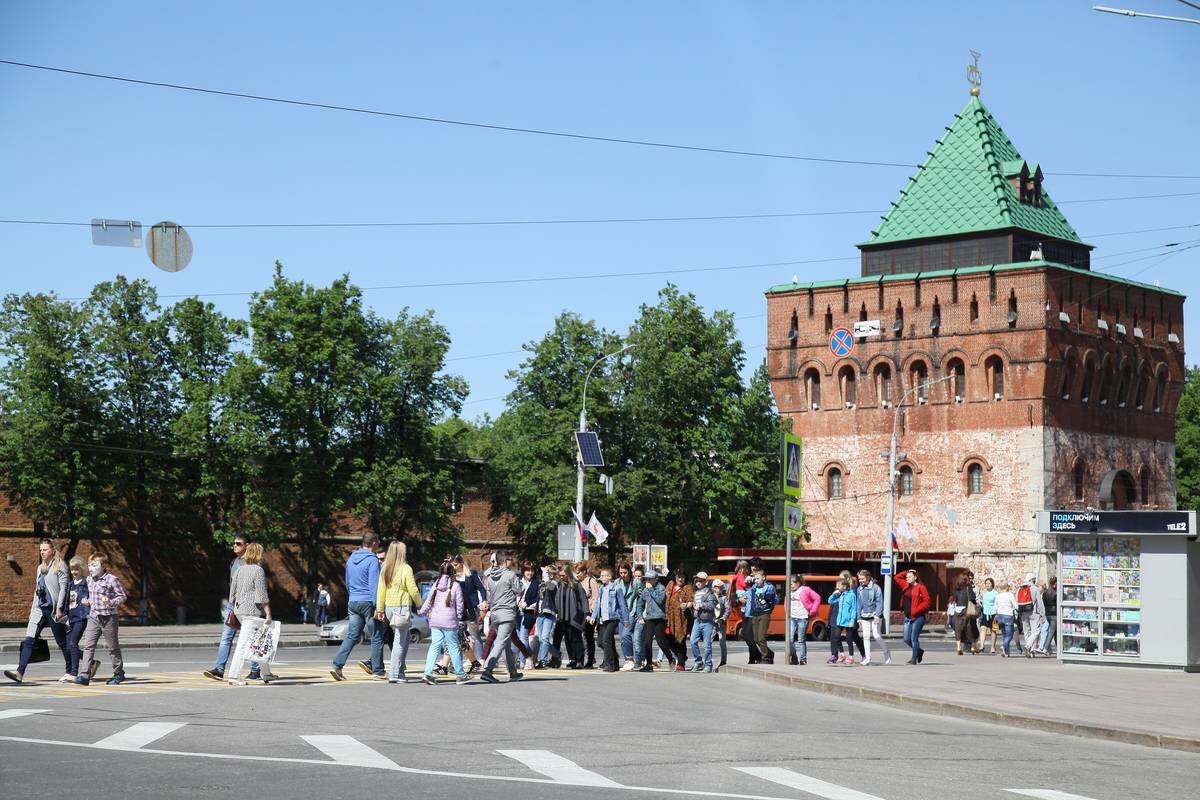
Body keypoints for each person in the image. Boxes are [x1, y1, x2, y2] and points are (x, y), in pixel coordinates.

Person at [4, 537, 70, 684]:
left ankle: (74, 669)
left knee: (62, 642)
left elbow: (64, 590)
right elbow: (37, 590)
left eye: (45, 550)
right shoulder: (40, 568)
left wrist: (59, 608)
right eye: (40, 550)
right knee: (29, 640)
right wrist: (32, 609)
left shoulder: (60, 567)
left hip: (53, 610)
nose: (42, 552)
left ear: (53, 550)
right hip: (40, 609)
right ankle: (19, 672)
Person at [330, 533, 384, 682]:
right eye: (378, 541)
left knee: (352, 635)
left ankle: (337, 665)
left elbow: (347, 581)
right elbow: (374, 585)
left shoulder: (351, 558)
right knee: (377, 636)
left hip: (353, 601)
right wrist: (378, 607)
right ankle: (378, 670)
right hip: (368, 602)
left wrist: (352, 595)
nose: (379, 544)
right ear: (373, 543)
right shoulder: (372, 560)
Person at [226, 543, 278, 685]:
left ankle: (266, 673)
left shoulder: (239, 570)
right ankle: (234, 676)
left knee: (258, 641)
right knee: (243, 644)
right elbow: (261, 595)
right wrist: (268, 614)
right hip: (251, 612)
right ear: (258, 554)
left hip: (239, 610)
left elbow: (232, 593)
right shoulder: (258, 570)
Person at [206, 535, 256, 681]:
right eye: (234, 543)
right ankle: (219, 669)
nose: (235, 546)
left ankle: (256, 669)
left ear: (247, 545)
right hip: (232, 605)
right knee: (226, 637)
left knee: (250, 638)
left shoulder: (252, 563)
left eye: (238, 544)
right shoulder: (234, 561)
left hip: (247, 605)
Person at [373, 541, 422, 683]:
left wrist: (380, 609)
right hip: (401, 607)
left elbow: (380, 590)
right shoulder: (406, 568)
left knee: (404, 639)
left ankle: (400, 670)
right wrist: (420, 604)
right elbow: (412, 589)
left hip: (389, 607)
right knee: (399, 642)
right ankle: (395, 673)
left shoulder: (385, 568)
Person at [77, 553, 127, 685]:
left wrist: (111, 601)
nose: (91, 568)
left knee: (113, 647)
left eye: (94, 565)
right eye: (89, 565)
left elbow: (122, 596)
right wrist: (87, 601)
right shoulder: (89, 579)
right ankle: (84, 675)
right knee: (88, 646)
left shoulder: (111, 579)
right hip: (93, 617)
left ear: (104, 566)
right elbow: (91, 596)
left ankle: (118, 673)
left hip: (109, 617)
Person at [420, 561, 470, 685]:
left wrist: (422, 611)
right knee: (453, 647)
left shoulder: (436, 584)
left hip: (435, 620)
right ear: (452, 572)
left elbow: (428, 601)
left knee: (434, 646)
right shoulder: (455, 585)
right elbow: (460, 605)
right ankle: (460, 675)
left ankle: (427, 673)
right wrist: (458, 618)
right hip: (449, 621)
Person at [480, 551, 524, 683]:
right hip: (507, 613)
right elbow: (519, 589)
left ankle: (513, 672)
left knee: (505, 643)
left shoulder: (490, 577)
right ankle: (488, 670)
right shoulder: (510, 575)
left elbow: (488, 596)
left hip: (495, 614)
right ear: (504, 562)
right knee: (500, 643)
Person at [592, 566, 630, 672]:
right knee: (609, 641)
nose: (601, 577)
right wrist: (594, 616)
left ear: (609, 577)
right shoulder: (602, 589)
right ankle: (616, 664)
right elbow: (598, 604)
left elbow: (622, 605)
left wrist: (626, 620)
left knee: (606, 639)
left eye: (603, 575)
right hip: (603, 618)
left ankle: (610, 664)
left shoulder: (616, 588)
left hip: (613, 617)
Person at [637, 570, 674, 672]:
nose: (647, 581)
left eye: (649, 579)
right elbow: (640, 604)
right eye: (646, 579)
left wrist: (651, 589)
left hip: (659, 618)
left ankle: (671, 658)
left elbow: (660, 600)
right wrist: (640, 617)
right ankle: (648, 664)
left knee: (661, 641)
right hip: (649, 619)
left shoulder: (661, 588)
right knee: (647, 642)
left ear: (655, 579)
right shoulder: (645, 590)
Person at [553, 566, 588, 668]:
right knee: (557, 639)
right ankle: (557, 659)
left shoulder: (576, 585)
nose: (561, 577)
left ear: (568, 574)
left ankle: (579, 660)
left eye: (563, 575)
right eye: (560, 575)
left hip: (574, 616)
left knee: (575, 639)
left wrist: (587, 614)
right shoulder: (560, 585)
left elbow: (583, 599)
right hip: (561, 616)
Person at [63, 557, 91, 682]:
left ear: (82, 569)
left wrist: (89, 603)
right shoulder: (70, 585)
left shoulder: (86, 583)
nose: (74, 572)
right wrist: (63, 614)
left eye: (76, 569)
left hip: (81, 617)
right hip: (70, 618)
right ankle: (92, 661)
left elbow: (92, 598)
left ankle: (74, 673)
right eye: (72, 570)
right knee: (69, 647)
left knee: (73, 643)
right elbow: (67, 602)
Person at [855, 570, 891, 666]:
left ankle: (886, 651)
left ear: (868, 578)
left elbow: (879, 602)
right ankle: (867, 658)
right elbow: (858, 604)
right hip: (864, 616)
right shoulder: (859, 589)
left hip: (875, 615)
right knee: (865, 636)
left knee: (876, 635)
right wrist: (858, 619)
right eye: (859, 579)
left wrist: (877, 616)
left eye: (862, 579)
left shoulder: (876, 588)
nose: (860, 581)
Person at [895, 568, 930, 665]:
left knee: (914, 637)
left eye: (910, 577)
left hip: (918, 617)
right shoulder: (905, 585)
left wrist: (917, 609)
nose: (907, 578)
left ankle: (913, 659)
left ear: (915, 577)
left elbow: (927, 601)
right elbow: (897, 577)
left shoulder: (921, 587)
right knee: (906, 639)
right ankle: (919, 651)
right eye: (906, 577)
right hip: (907, 616)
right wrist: (907, 571)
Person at [743, 565, 777, 664]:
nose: (756, 581)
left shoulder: (769, 587)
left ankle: (766, 658)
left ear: (764, 578)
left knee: (761, 637)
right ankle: (770, 653)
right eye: (755, 579)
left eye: (758, 578)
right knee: (756, 639)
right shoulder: (753, 588)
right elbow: (747, 596)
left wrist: (768, 596)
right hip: (754, 614)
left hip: (764, 614)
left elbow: (772, 597)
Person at [665, 569, 694, 671]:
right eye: (678, 577)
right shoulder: (670, 585)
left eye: (682, 577)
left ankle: (681, 663)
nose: (680, 579)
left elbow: (691, 600)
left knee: (680, 640)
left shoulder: (688, 587)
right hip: (669, 617)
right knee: (667, 639)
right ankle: (681, 656)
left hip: (682, 618)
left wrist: (687, 604)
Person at [688, 572, 717, 673]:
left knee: (706, 645)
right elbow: (695, 605)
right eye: (696, 580)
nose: (698, 582)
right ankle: (699, 662)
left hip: (707, 621)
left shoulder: (710, 593)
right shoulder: (695, 593)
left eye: (701, 580)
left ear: (706, 582)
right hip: (697, 620)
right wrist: (691, 605)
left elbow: (712, 606)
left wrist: (701, 605)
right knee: (692, 641)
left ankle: (708, 665)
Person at [788, 574, 820, 666]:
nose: (790, 586)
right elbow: (787, 602)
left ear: (798, 583)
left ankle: (803, 659)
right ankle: (794, 658)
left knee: (801, 640)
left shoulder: (805, 590)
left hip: (803, 617)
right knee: (789, 639)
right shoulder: (789, 591)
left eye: (792, 584)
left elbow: (817, 598)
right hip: (792, 617)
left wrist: (813, 610)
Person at [574, 562, 600, 669]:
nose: (577, 575)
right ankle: (580, 659)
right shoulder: (576, 583)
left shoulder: (591, 581)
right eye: (576, 573)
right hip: (580, 614)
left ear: (584, 572)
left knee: (588, 637)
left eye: (579, 572)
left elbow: (596, 597)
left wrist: (591, 613)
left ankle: (590, 660)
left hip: (589, 614)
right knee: (580, 637)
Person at [615, 563, 640, 671]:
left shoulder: (636, 582)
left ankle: (630, 659)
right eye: (621, 573)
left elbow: (642, 596)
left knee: (626, 635)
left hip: (631, 612)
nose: (623, 575)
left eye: (625, 572)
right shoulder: (617, 583)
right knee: (622, 638)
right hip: (620, 613)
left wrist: (640, 613)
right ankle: (628, 660)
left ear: (629, 572)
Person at [829, 578, 859, 665]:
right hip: (839, 620)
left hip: (848, 621)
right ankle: (842, 655)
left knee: (849, 639)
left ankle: (851, 657)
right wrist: (833, 595)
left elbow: (854, 608)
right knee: (836, 636)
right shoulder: (840, 595)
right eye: (836, 586)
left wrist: (852, 620)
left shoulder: (851, 595)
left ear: (845, 586)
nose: (837, 587)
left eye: (839, 586)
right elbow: (830, 601)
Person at [533, 568, 559, 669]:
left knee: (544, 638)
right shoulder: (541, 584)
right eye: (548, 574)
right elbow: (539, 599)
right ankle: (557, 654)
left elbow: (550, 588)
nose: (549, 575)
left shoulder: (553, 584)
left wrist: (546, 574)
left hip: (549, 613)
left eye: (551, 574)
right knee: (541, 639)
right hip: (540, 614)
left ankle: (543, 661)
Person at [517, 561, 541, 669]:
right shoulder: (518, 581)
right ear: (523, 571)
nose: (529, 573)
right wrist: (518, 603)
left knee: (523, 639)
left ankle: (524, 661)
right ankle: (528, 657)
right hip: (516, 614)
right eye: (527, 570)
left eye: (531, 570)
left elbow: (538, 599)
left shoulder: (537, 583)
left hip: (528, 614)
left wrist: (526, 605)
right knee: (517, 640)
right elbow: (513, 595)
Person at [732, 559, 756, 663]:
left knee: (750, 635)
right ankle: (756, 655)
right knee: (746, 634)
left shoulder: (738, 576)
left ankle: (755, 656)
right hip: (745, 607)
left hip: (752, 609)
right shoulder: (743, 577)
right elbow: (744, 585)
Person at [1016, 572, 1044, 657]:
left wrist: (1019, 612)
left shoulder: (1020, 588)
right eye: (1034, 580)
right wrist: (1043, 614)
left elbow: (1017, 600)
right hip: (1034, 612)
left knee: (1026, 631)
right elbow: (1039, 602)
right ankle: (1028, 646)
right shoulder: (1035, 588)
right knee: (1036, 630)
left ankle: (1030, 650)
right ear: (1032, 579)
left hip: (1023, 611)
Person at [952, 573, 978, 656]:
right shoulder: (968, 587)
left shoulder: (956, 588)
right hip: (966, 609)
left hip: (957, 609)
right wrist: (975, 604)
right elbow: (972, 597)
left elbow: (954, 599)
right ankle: (973, 646)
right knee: (969, 627)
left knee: (958, 628)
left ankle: (959, 647)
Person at [994, 580, 1019, 657]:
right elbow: (1016, 606)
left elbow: (995, 607)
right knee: (1010, 635)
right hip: (1008, 615)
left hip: (1000, 616)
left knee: (1005, 634)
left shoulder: (998, 596)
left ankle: (1007, 652)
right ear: (1006, 587)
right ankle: (1004, 646)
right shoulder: (1009, 595)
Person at [712, 578, 731, 670]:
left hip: (721, 623)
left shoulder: (724, 598)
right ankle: (708, 661)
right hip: (711, 623)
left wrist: (722, 619)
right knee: (708, 642)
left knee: (722, 641)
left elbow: (728, 610)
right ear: (713, 588)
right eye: (716, 587)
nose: (718, 589)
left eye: (720, 587)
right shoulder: (710, 597)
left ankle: (723, 661)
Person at [979, 578, 999, 654]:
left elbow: (997, 603)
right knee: (983, 628)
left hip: (994, 614)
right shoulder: (984, 593)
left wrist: (997, 613)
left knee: (993, 630)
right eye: (986, 583)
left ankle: (993, 647)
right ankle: (981, 646)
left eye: (989, 583)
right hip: (985, 613)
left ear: (992, 584)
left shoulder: (996, 593)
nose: (987, 585)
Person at [1039, 577, 1058, 656]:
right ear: (1054, 584)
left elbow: (1043, 603)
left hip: (1047, 613)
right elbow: (1057, 604)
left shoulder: (1045, 592)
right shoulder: (1055, 593)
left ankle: (1058, 648)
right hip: (1054, 614)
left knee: (1055, 632)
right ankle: (1045, 648)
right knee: (1052, 632)